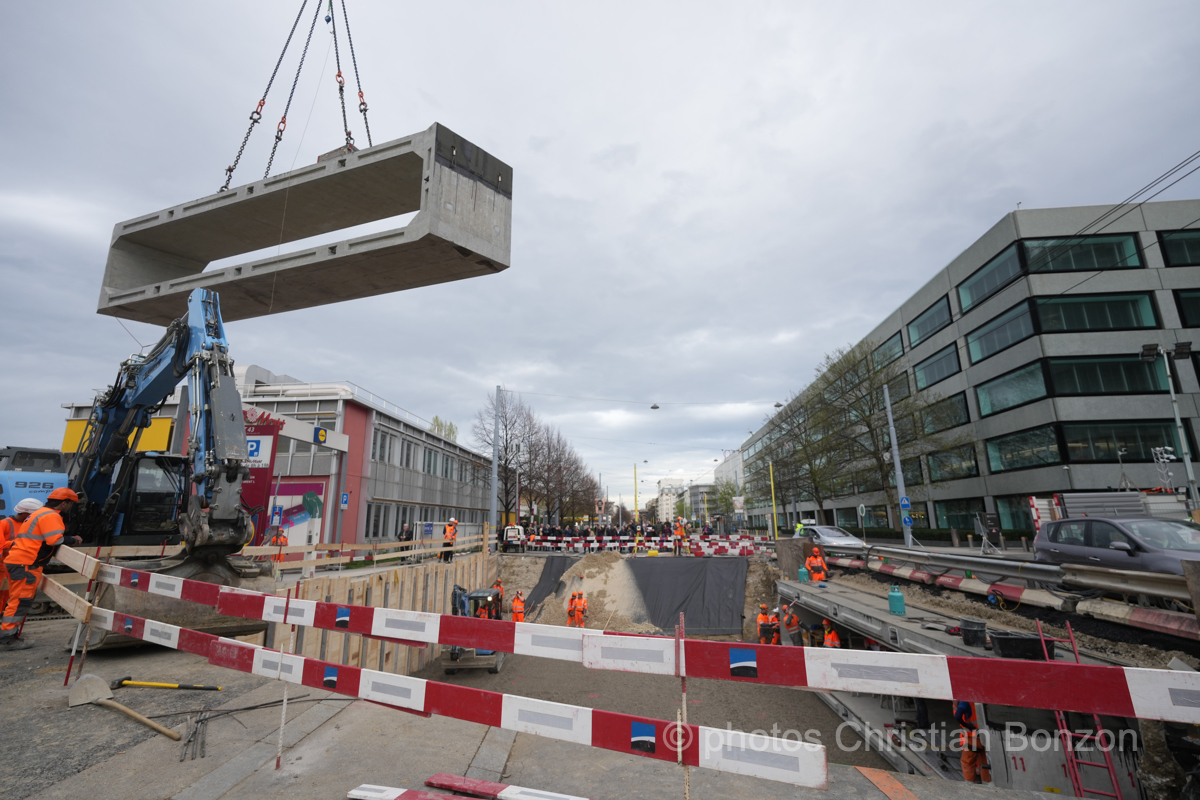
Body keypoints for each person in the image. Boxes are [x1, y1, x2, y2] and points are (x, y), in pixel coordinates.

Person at [2, 488, 82, 648]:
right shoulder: (52, 516)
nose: (70, 507)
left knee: (17, 599)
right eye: (70, 504)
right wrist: (73, 539)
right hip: (27, 562)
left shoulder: (39, 513)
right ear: (64, 503)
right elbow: (55, 540)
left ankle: (9, 634)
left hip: (19, 560)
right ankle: (7, 638)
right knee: (20, 600)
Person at [0, 499, 42, 616]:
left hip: (19, 564)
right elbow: (1, 545)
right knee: (3, 595)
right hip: (5, 565)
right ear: (24, 513)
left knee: (8, 595)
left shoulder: (28, 524)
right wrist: (17, 543)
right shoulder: (4, 524)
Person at [954, 700, 991, 783]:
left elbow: (958, 716)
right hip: (985, 735)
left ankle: (970, 785)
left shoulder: (965, 701)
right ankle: (987, 783)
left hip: (974, 738)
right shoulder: (977, 699)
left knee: (967, 762)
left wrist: (967, 725)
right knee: (984, 761)